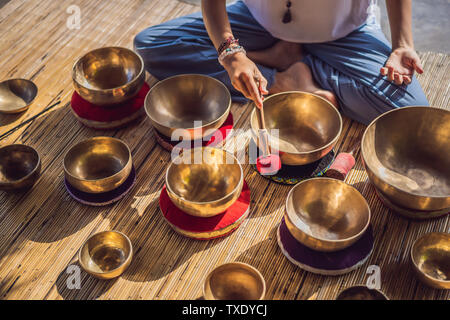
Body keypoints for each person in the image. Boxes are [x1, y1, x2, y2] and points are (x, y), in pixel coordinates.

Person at [134, 0, 429, 125]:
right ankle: (280, 75)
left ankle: (297, 65)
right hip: (259, 24)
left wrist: (402, 44)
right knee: (152, 46)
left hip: (343, 34)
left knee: (409, 114)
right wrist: (232, 53)